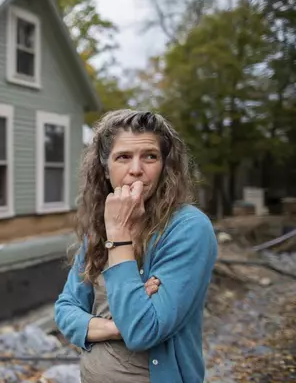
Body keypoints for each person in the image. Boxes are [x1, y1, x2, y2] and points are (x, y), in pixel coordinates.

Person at [54, 109, 218, 383]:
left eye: (150, 156)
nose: (136, 170)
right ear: (105, 169)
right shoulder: (99, 227)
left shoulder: (188, 228)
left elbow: (143, 330)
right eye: (123, 157)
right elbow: (65, 309)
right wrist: (113, 327)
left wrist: (118, 234)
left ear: (166, 166)